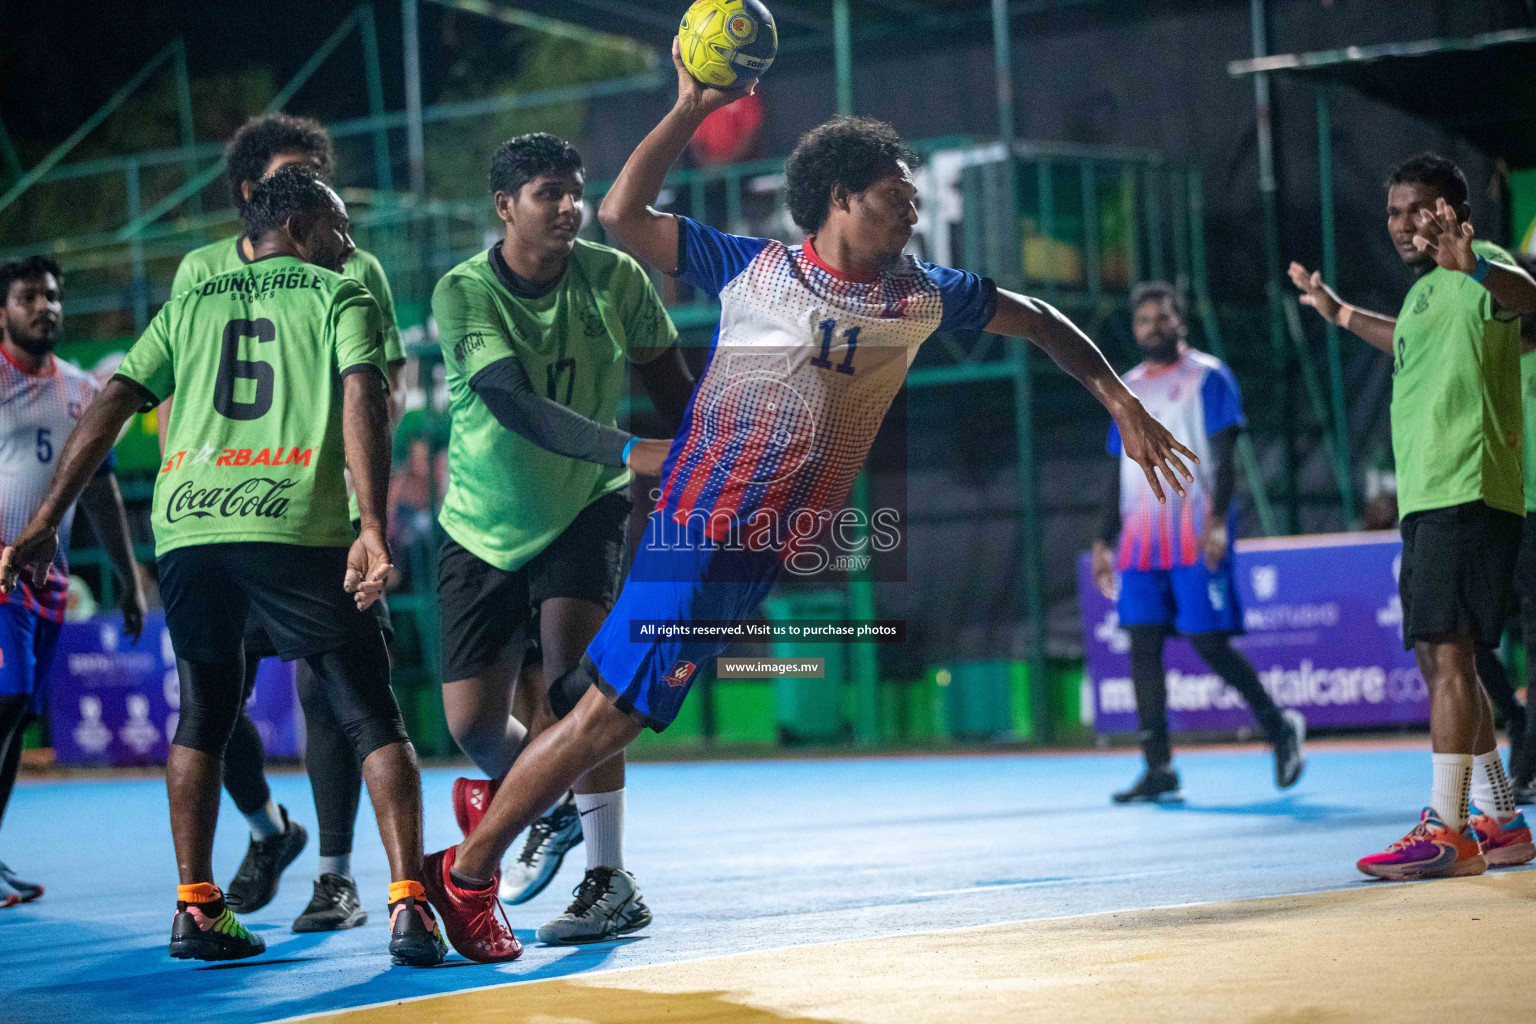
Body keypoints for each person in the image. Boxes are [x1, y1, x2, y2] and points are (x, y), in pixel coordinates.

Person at [417, 42, 1197, 963]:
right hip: (699, 530)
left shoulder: (920, 296)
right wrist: (691, 107)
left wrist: (1119, 397)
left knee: (605, 713)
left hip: (757, 551)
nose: (911, 211)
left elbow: (1038, 318)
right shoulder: (756, 270)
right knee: (600, 718)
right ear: (839, 200)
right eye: (895, 196)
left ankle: (513, 829)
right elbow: (624, 213)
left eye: (911, 198)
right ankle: (464, 878)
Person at [0, 168, 445, 965]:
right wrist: (372, 522)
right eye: (340, 228)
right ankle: (410, 905)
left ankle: (197, 908)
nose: (350, 244)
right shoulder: (338, 294)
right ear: (303, 226)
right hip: (290, 521)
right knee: (370, 711)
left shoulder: (191, 303)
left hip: (190, 527)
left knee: (202, 713)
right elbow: (362, 396)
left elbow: (110, 401)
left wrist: (41, 522)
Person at [433, 132, 691, 945]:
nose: (571, 206)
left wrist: (704, 468)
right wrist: (628, 447)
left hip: (585, 510)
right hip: (481, 520)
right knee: (473, 725)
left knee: (576, 694)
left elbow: (671, 387)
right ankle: (550, 799)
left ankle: (610, 879)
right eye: (550, 193)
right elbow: (512, 402)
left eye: (577, 190)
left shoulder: (615, 277)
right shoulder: (462, 291)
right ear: (505, 206)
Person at [166, 113, 408, 932]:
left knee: (328, 689)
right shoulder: (199, 272)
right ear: (257, 197)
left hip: (317, 510)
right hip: (218, 509)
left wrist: (365, 509)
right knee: (213, 698)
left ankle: (335, 875)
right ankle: (269, 831)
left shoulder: (354, 269)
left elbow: (380, 391)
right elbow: (176, 394)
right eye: (293, 175)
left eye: (319, 171)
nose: (318, 193)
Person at [1291, 153, 1536, 879]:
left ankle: (1448, 830)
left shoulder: (1479, 267)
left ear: (1453, 212)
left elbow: (1531, 298)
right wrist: (1339, 314)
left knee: (1451, 656)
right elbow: (1402, 335)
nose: (1403, 225)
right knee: (1442, 657)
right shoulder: (1431, 293)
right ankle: (1500, 820)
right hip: (1430, 497)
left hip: (1469, 489)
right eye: (1394, 213)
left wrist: (1479, 265)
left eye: (1418, 209)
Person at [1092, 281, 1305, 804]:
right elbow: (1115, 470)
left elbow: (1225, 459)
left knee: (1208, 643)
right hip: (1140, 538)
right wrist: (1102, 539)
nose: (1153, 328)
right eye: (1143, 321)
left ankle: (1279, 730)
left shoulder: (1209, 377)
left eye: (1162, 318)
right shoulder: (1127, 386)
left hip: (1193, 530)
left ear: (1180, 321)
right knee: (1142, 645)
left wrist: (1215, 523)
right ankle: (1158, 766)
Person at [0, 256, 146, 907]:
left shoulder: (84, 391)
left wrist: (127, 576)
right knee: (4, 705)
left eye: (53, 295)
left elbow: (101, 490)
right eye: (29, 296)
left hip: (48, 583)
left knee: (16, 719)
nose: (45, 307)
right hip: (1, 572)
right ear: (4, 309)